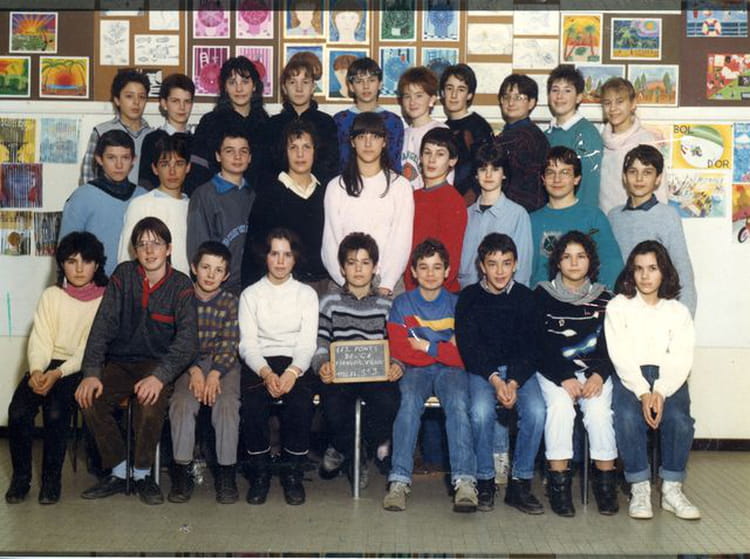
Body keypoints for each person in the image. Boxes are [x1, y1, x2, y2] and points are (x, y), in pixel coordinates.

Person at [75, 217, 198, 505]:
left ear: (168, 249)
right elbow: (102, 327)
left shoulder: (181, 285)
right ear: (134, 250)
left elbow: (187, 342)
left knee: (149, 405)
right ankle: (120, 471)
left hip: (158, 365)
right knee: (89, 398)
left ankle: (143, 474)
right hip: (120, 362)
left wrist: (160, 377)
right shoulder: (124, 275)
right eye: (142, 244)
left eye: (156, 243)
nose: (149, 250)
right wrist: (91, 373)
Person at [5, 232, 107, 505]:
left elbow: (89, 348)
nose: (79, 269)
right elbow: (40, 338)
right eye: (72, 261)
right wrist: (37, 371)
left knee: (55, 413)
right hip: (46, 363)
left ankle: (51, 482)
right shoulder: (52, 295)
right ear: (62, 264)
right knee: (18, 412)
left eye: (86, 262)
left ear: (97, 265)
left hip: (79, 368)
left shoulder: (104, 300)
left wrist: (58, 373)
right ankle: (21, 479)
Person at [606, 240, 701, 520]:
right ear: (631, 273)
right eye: (639, 269)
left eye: (653, 268)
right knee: (627, 417)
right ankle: (640, 488)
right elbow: (620, 354)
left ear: (664, 272)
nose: (645, 276)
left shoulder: (678, 311)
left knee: (679, 420)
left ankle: (672, 489)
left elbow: (680, 357)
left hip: (668, 378)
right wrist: (642, 391)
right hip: (630, 376)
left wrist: (660, 390)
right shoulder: (618, 306)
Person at [454, 233, 546, 515]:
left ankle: (520, 483)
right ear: (482, 266)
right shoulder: (469, 297)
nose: (500, 271)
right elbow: (470, 347)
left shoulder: (526, 298)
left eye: (506, 263)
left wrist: (514, 382)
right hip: (484, 371)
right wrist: (495, 380)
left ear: (515, 264)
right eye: (492, 264)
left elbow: (532, 347)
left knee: (536, 411)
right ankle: (485, 480)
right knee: (481, 412)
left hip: (519, 372)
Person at [383, 239, 477, 513]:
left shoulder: (459, 304)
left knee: (458, 402)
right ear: (413, 271)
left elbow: (463, 356)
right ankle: (399, 481)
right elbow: (400, 350)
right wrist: (445, 349)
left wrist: (427, 347)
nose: (430, 273)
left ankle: (465, 481)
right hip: (415, 371)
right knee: (408, 402)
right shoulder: (402, 304)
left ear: (447, 271)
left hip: (451, 372)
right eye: (423, 267)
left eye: (437, 267)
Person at [534, 230, 618, 517]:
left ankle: (605, 486)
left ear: (590, 261)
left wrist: (598, 375)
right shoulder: (542, 295)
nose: (573, 262)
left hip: (594, 373)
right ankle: (559, 487)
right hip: (556, 372)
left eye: (580, 256)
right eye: (567, 256)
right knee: (560, 408)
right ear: (557, 262)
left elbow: (612, 344)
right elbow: (539, 345)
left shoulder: (605, 298)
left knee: (598, 412)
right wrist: (564, 377)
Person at [314, 233, 403, 488]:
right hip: (341, 375)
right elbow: (320, 342)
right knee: (333, 407)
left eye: (365, 263)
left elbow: (398, 345)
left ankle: (353, 447)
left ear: (375, 268)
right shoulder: (329, 302)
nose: (359, 269)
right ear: (342, 268)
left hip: (376, 374)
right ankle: (349, 451)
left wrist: (397, 365)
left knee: (388, 403)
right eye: (352, 263)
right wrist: (322, 365)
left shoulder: (387, 305)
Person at [238, 228, 319, 506]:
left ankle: (292, 474)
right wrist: (266, 373)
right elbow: (248, 344)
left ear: (295, 258)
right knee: (252, 404)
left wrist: (293, 372)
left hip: (295, 361)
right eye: (275, 254)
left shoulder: (306, 294)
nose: (281, 261)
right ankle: (259, 474)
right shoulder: (250, 295)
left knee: (301, 403)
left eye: (287, 254)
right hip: (260, 362)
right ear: (266, 256)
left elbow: (307, 343)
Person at [168, 241, 241, 505]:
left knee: (227, 404)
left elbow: (230, 343)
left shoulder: (230, 302)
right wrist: (194, 369)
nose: (211, 275)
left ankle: (226, 473)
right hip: (187, 364)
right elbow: (176, 339)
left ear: (226, 275)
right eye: (205, 267)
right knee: (182, 403)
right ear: (193, 268)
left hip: (224, 365)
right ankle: (182, 470)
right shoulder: (182, 298)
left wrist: (215, 373)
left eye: (218, 270)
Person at [322, 111, 414, 297]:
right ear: (352, 142)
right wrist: (347, 283)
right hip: (345, 283)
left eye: (375, 137)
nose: (368, 143)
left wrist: (386, 284)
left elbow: (401, 240)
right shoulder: (336, 187)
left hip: (387, 284)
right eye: (361, 137)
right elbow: (330, 244)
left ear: (384, 142)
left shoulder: (400, 186)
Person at [608, 144, 697, 316]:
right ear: (624, 177)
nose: (639, 178)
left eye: (647, 172)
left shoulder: (667, 216)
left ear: (658, 179)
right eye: (633, 172)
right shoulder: (613, 216)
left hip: (656, 310)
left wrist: (685, 319)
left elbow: (683, 270)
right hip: (622, 310)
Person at [242, 120, 328, 294]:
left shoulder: (326, 193)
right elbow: (254, 252)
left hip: (324, 286)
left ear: (315, 151)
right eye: (293, 147)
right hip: (282, 288)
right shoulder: (269, 195)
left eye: (306, 147)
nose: (300, 154)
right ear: (284, 152)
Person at [530, 146, 622, 290]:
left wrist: (598, 297)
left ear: (577, 179)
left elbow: (612, 264)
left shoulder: (593, 218)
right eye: (550, 173)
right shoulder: (532, 221)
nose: (557, 179)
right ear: (543, 179)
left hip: (585, 299)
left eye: (565, 172)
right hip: (542, 299)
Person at [59, 130, 147, 276]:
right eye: (111, 158)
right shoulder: (82, 197)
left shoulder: (143, 196)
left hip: (136, 282)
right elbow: (66, 250)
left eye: (125, 157)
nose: (119, 165)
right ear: (99, 159)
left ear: (133, 160)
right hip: (93, 283)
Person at [187, 129, 256, 296]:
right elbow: (198, 249)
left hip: (251, 286)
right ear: (218, 156)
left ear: (250, 157)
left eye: (243, 151)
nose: (237, 157)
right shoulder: (204, 195)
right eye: (229, 151)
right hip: (218, 289)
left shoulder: (253, 195)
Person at [458, 143, 532, 288]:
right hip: (467, 292)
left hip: (504, 295)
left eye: (495, 169)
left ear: (504, 174)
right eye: (483, 169)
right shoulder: (466, 214)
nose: (488, 175)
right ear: (476, 174)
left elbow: (522, 269)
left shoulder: (518, 214)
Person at [190, 56, 268, 190]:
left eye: (245, 82)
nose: (239, 89)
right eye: (232, 82)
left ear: (254, 86)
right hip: (217, 197)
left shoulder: (266, 124)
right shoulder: (210, 122)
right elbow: (198, 171)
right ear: (225, 87)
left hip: (259, 197)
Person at [118, 133, 191, 275]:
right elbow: (126, 258)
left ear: (188, 167)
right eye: (165, 164)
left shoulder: (193, 206)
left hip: (186, 285)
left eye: (179, 164)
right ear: (155, 168)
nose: (172, 171)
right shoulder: (141, 204)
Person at [405, 127, 466, 292]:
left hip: (437, 292)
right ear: (420, 157)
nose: (432, 160)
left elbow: (451, 260)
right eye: (427, 153)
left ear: (452, 161)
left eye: (440, 154)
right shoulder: (412, 196)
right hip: (410, 288)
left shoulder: (453, 201)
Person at [261, 58, 338, 187]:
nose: (299, 88)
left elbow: (331, 165)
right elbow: (266, 167)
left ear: (313, 87)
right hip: (279, 191)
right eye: (292, 82)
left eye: (305, 82)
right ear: (284, 88)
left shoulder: (326, 123)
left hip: (318, 191)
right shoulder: (272, 125)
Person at [598, 77, 665, 214]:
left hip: (639, 219)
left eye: (620, 102)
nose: (613, 108)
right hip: (606, 220)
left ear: (633, 104)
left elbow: (660, 189)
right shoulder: (599, 142)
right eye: (607, 103)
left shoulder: (646, 140)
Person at [545, 64, 603, 209]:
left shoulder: (586, 133)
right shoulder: (545, 135)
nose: (560, 96)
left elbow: (589, 185)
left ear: (578, 97)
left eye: (567, 90)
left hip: (577, 215)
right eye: (555, 90)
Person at [80, 68, 151, 186]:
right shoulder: (101, 132)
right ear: (117, 100)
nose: (136, 102)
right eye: (129, 96)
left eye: (142, 97)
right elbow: (88, 177)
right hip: (105, 197)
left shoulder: (153, 136)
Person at [334, 57, 404, 173]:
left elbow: (394, 164)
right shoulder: (340, 121)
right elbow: (336, 163)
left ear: (380, 84)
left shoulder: (393, 122)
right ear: (351, 87)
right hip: (347, 181)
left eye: (371, 80)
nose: (365, 86)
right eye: (359, 81)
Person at [439, 63, 494, 204]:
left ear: (469, 95)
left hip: (470, 204)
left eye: (461, 89)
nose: (454, 95)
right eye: (449, 88)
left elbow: (484, 170)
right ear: (442, 93)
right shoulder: (442, 128)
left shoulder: (478, 127)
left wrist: (465, 203)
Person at [494, 73, 549, 212]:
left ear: (531, 103)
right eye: (506, 97)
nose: (511, 103)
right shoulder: (510, 133)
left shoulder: (528, 137)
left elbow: (526, 188)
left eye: (518, 98)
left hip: (519, 213)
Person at [137, 73, 196, 193]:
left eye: (187, 101)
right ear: (164, 103)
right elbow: (145, 181)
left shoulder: (198, 141)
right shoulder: (152, 139)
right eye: (175, 101)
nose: (182, 107)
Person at [398, 66, 450, 191]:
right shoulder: (402, 134)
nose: (412, 102)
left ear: (432, 99)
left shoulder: (441, 131)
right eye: (407, 96)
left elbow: (448, 177)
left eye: (419, 96)